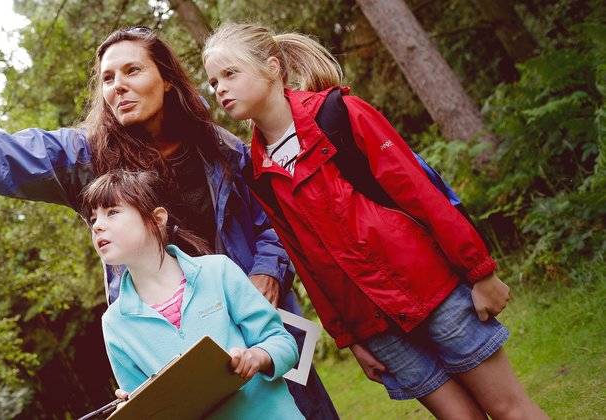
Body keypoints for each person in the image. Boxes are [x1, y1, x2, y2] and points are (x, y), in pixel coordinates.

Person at [0, 26, 338, 418]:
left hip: (253, 315)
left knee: (304, 410)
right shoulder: (84, 157)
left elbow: (273, 214)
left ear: (167, 79)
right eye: (108, 77)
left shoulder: (219, 147)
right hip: (166, 338)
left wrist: (267, 269)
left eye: (132, 70)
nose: (118, 85)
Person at [202, 23, 548, 419]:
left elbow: (421, 194)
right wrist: (351, 339)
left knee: (508, 409)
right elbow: (307, 263)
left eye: (230, 74)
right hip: (377, 330)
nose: (220, 89)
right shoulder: (258, 173)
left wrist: (480, 270)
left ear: (273, 67)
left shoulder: (341, 114)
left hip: (433, 292)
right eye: (213, 82)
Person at [84, 170, 302, 419]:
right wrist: (133, 410)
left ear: (157, 219)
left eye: (112, 212)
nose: (98, 226)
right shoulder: (114, 325)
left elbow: (284, 344)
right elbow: (149, 408)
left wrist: (257, 357)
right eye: (93, 219)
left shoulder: (218, 271)